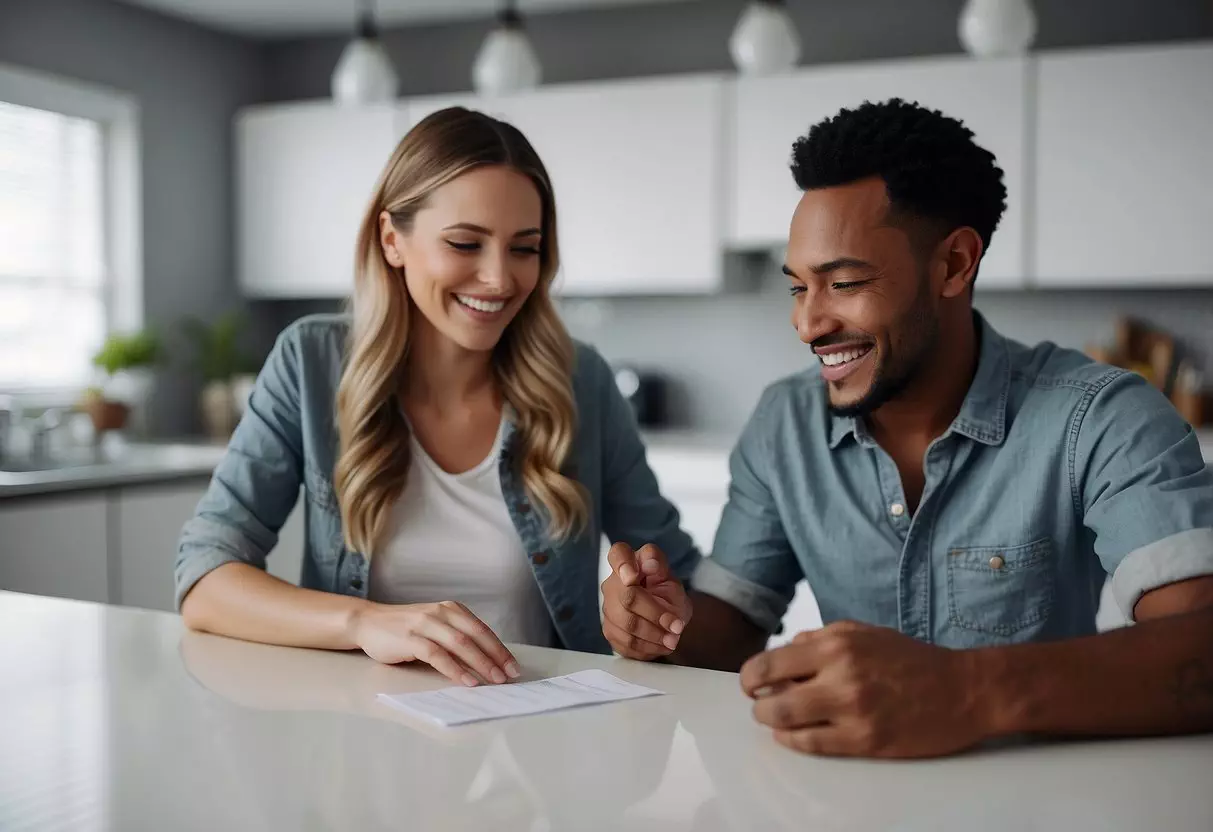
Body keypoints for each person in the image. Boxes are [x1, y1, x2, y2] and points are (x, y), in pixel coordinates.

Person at [601, 98, 1213, 757]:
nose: (807, 324)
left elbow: (1200, 647)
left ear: (953, 265)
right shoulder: (784, 423)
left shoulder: (1098, 416)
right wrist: (662, 624)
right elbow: (731, 628)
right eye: (797, 287)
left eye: (843, 282)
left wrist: (966, 690)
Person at [177, 107, 700, 687]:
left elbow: (677, 575)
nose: (500, 279)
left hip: (539, 741)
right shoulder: (310, 363)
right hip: (363, 743)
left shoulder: (583, 382)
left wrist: (651, 615)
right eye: (464, 243)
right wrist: (363, 622)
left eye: (523, 248)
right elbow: (205, 576)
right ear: (392, 240)